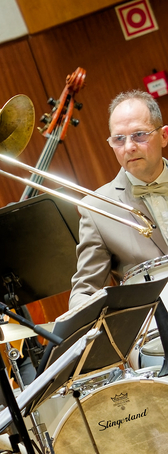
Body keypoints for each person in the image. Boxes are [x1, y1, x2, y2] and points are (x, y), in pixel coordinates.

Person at [70, 89, 168, 309]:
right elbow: (84, 292)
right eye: (119, 139)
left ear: (164, 136)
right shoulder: (96, 209)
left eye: (139, 135)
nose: (129, 147)